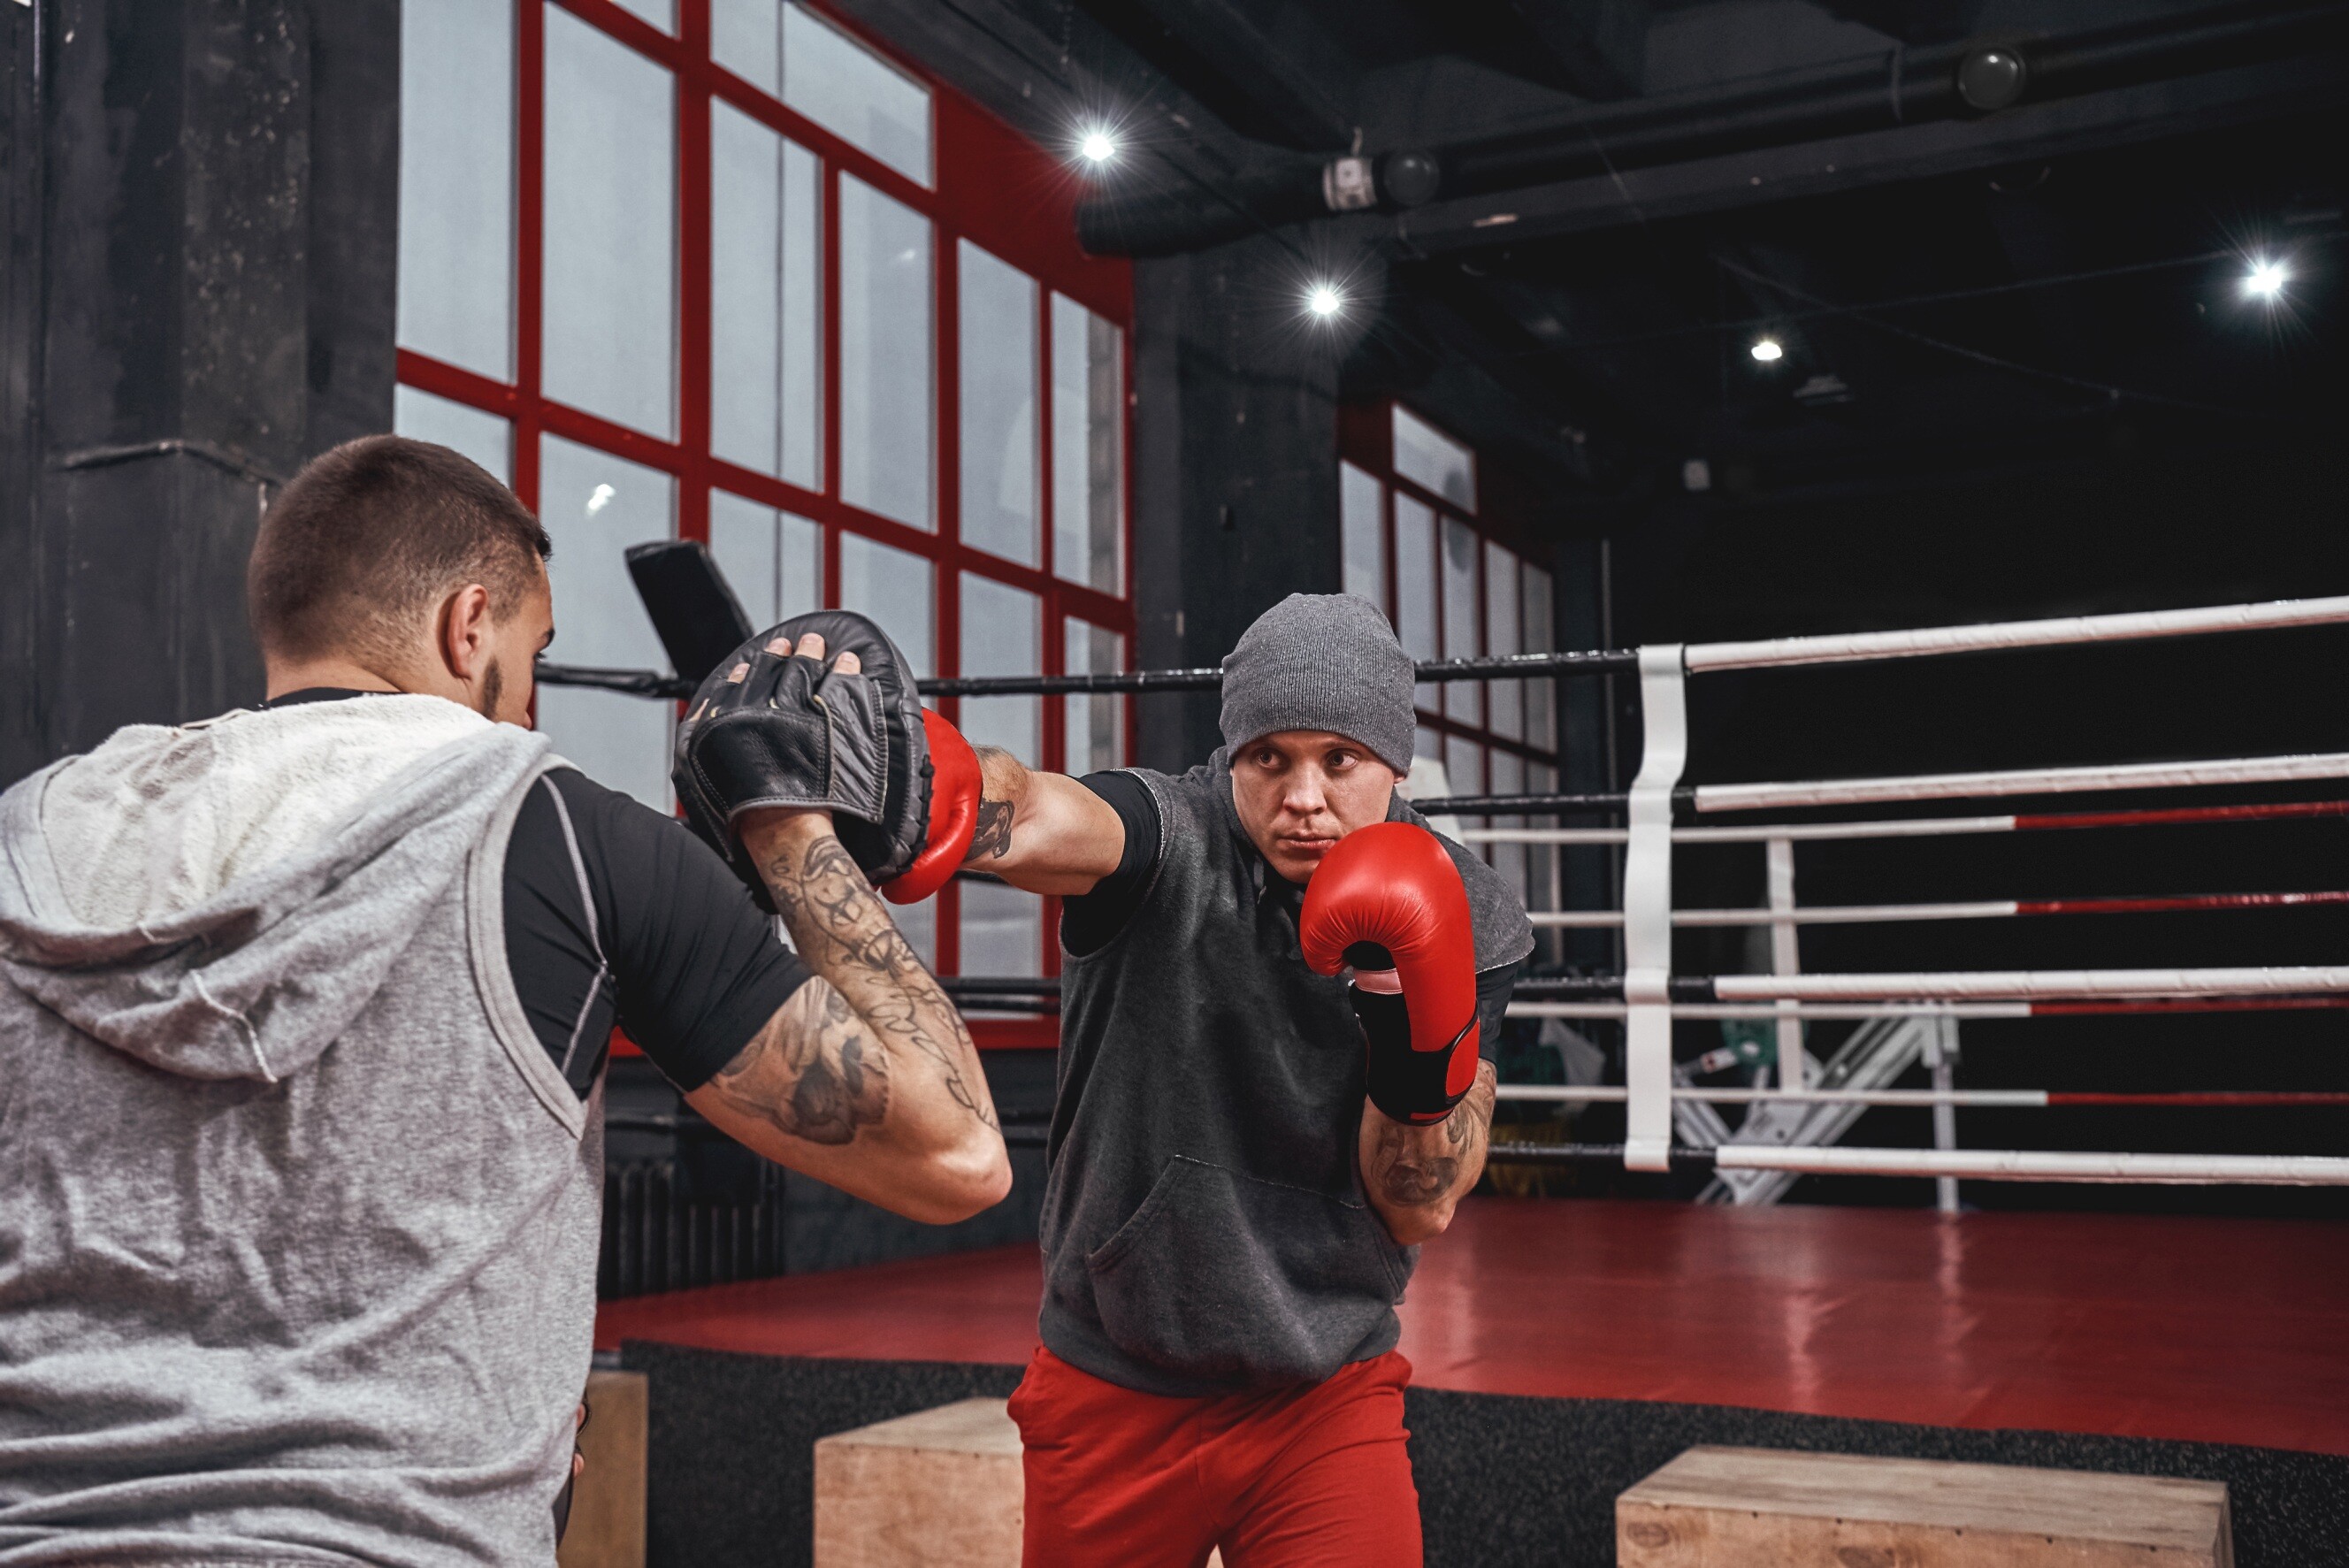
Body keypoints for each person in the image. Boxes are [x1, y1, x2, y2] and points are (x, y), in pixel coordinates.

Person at [0, 435, 1009, 1566]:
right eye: (534, 654)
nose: (528, 703)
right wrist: (787, 820)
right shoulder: (567, 838)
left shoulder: (34, 831)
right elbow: (957, 1153)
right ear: (466, 625)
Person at [950, 593, 1532, 1567]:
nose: (1303, 797)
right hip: (1115, 1380)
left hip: (1321, 1391)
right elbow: (1049, 811)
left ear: (1393, 761)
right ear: (1233, 759)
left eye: (1338, 761)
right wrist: (939, 789)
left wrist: (1405, 1012)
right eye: (1271, 758)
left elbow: (1417, 1205)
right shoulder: (1170, 838)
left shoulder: (1465, 908)